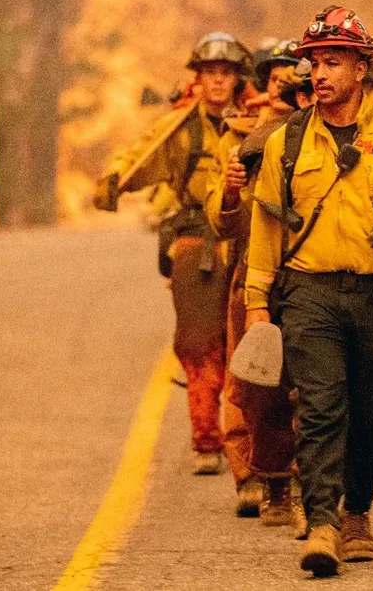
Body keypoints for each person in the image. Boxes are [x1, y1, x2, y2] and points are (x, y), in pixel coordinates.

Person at [244, 6, 373, 577]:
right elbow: (267, 228)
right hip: (309, 292)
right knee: (322, 407)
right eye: (315, 63)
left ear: (362, 68)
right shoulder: (286, 145)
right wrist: (258, 304)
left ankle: (358, 509)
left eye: (334, 61)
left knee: (372, 410)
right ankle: (324, 522)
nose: (321, 74)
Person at [92, 33, 255, 479]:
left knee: (252, 346)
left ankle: (257, 447)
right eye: (209, 74)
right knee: (199, 346)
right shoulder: (178, 130)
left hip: (251, 245)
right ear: (198, 80)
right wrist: (113, 179)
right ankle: (207, 440)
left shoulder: (262, 124)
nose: (218, 82)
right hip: (197, 246)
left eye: (226, 74)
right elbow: (139, 154)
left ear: (238, 80)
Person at [208, 39, 308, 529]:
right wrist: (228, 195)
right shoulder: (242, 142)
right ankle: (261, 478)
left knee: (313, 385)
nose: (285, 87)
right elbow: (224, 226)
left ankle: (313, 481)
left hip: (313, 275)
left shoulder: (330, 137)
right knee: (253, 382)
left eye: (296, 78)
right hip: (254, 273)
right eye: (276, 78)